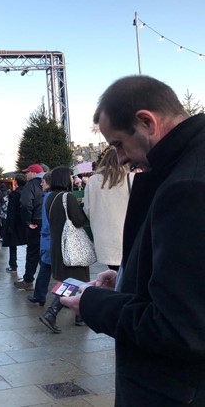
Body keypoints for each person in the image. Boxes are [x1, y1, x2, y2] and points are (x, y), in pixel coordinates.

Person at [61, 75, 205, 406]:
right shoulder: (184, 167)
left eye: (118, 144)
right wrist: (131, 278)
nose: (121, 158)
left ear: (146, 122)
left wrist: (93, 303)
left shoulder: (188, 186)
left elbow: (180, 329)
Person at [39, 166, 89, 333]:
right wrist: (82, 208)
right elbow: (78, 221)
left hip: (57, 245)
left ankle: (80, 315)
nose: (71, 179)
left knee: (70, 280)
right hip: (70, 246)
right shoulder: (68, 197)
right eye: (69, 176)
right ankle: (52, 313)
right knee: (74, 281)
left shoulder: (50, 197)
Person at [83, 146, 134, 271]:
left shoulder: (93, 181)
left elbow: (88, 209)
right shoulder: (130, 178)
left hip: (104, 238)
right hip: (127, 234)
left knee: (114, 272)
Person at [15, 164, 45, 290]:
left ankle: (28, 280)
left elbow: (25, 204)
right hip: (48, 222)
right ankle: (47, 277)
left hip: (36, 222)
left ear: (33, 173)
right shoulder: (49, 183)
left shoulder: (31, 185)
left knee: (33, 252)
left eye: (27, 172)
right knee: (47, 251)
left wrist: (27, 221)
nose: (26, 175)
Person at [27, 172, 52, 307]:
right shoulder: (64, 195)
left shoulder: (47, 197)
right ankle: (42, 296)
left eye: (43, 181)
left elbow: (46, 222)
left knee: (46, 268)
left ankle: (41, 296)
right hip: (58, 239)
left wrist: (44, 233)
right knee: (50, 269)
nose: (41, 183)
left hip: (49, 239)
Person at [1, 174, 27, 272]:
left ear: (16, 182)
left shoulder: (13, 194)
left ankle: (13, 265)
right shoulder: (29, 192)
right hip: (27, 221)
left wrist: (9, 226)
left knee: (12, 244)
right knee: (31, 244)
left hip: (15, 222)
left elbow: (11, 211)